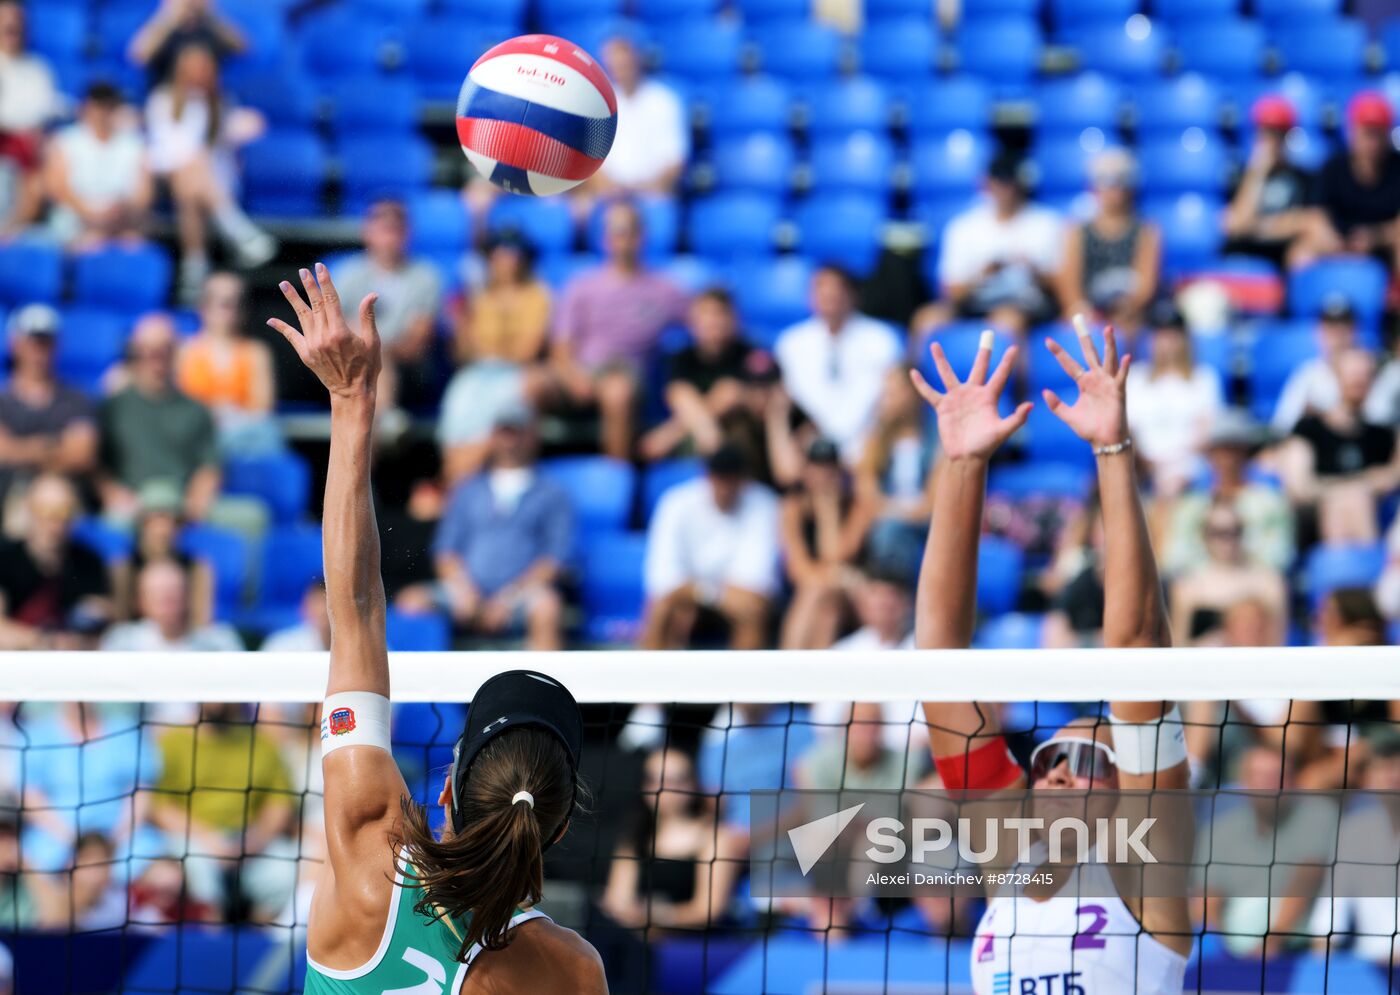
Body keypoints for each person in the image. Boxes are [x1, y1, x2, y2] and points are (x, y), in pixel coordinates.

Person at [262, 262, 606, 990]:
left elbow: (353, 604)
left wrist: (352, 400)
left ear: (447, 788)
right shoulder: (574, 970)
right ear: (561, 828)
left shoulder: (365, 851)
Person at [912, 319, 1192, 993]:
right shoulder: (1008, 854)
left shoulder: (1145, 867)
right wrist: (963, 464)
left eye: (1089, 760)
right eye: (1050, 760)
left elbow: (1134, 648)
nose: (1061, 774)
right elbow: (939, 657)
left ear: (1133, 793)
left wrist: (1113, 451)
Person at [417, 404, 571, 652]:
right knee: (413, 604)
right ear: (492, 436)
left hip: (523, 595)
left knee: (547, 607)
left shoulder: (552, 493)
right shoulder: (467, 489)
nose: (509, 441)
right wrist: (463, 590)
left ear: (531, 436)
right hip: (466, 592)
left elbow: (555, 559)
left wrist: (508, 599)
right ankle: (420, 689)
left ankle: (541, 688)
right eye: (504, 432)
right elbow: (445, 550)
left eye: (516, 432)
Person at [550, 200, 688, 459]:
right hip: (582, 370)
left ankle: (615, 478)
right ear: (604, 239)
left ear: (642, 236)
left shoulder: (664, 290)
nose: (622, 238)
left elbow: (701, 322)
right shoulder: (582, 286)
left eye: (629, 230)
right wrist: (573, 377)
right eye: (615, 230)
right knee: (530, 386)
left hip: (628, 373)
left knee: (617, 393)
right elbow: (561, 345)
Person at [145, 43, 274, 300]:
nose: (200, 73)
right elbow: (167, 147)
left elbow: (243, 132)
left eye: (205, 67)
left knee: (189, 191)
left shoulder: (221, 102)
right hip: (171, 172)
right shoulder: (162, 99)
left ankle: (195, 267)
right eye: (194, 67)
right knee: (191, 168)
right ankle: (240, 233)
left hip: (214, 180)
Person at [148, 702, 296, 923]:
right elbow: (159, 807)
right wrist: (208, 839)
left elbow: (280, 803)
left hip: (251, 843)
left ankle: (261, 942)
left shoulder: (261, 743)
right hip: (193, 840)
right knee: (197, 867)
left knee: (286, 872)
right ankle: (212, 941)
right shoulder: (171, 742)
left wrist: (256, 839)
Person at [641, 444, 780, 651]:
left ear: (744, 479)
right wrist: (713, 595)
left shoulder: (764, 504)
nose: (725, 487)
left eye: (731, 479)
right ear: (707, 477)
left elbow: (756, 585)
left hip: (729, 603)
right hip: (695, 600)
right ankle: (649, 681)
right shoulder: (676, 503)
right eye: (720, 478)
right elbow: (662, 581)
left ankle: (743, 683)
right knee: (662, 608)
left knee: (752, 610)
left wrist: (698, 592)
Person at [440, 233, 551, 483]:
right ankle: (452, 479)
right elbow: (464, 354)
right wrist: (461, 325)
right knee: (457, 410)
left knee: (498, 418)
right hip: (477, 375)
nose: (505, 259)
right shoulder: (479, 297)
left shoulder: (536, 295)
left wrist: (488, 349)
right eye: (499, 252)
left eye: (511, 252)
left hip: (514, 374)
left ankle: (457, 480)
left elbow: (527, 351)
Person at [601, 748, 744, 931]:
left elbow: (709, 910)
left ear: (693, 784)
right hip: (639, 942)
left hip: (696, 947)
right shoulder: (636, 836)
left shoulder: (715, 837)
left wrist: (655, 915)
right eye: (654, 779)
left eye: (677, 779)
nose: (665, 788)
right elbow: (617, 900)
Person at [98, 314, 221, 523]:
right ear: (135, 352)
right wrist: (112, 493)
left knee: (250, 517)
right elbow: (98, 464)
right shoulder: (113, 406)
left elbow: (209, 465)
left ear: (175, 352)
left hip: (179, 503)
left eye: (165, 349)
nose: (157, 357)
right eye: (148, 350)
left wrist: (196, 502)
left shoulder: (197, 409)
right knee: (115, 522)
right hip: (134, 503)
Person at [773, 266, 902, 462]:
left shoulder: (881, 339)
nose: (830, 297)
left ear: (853, 295)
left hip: (868, 446)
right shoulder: (790, 343)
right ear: (811, 296)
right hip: (810, 449)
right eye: (823, 291)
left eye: (837, 291)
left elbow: (891, 398)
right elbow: (788, 399)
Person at [332, 199, 444, 415]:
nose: (390, 236)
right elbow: (336, 330)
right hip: (352, 364)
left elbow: (417, 343)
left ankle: (380, 416)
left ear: (408, 233)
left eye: (396, 228)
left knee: (376, 355)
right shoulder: (348, 275)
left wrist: (376, 346)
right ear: (367, 231)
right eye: (384, 228)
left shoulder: (426, 277)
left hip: (407, 371)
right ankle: (385, 418)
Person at [933, 152, 1063, 335]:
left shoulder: (1047, 223)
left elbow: (1063, 287)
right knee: (928, 319)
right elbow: (951, 292)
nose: (1006, 189)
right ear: (987, 183)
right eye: (1000, 181)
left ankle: (1011, 364)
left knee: (1007, 319)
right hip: (973, 305)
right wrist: (983, 275)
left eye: (1010, 182)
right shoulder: (963, 226)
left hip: (1027, 306)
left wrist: (1034, 272)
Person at [1280, 347, 1400, 544]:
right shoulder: (1308, 429)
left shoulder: (1382, 435)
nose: (1359, 382)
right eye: (1352, 375)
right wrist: (1361, 483)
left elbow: (1394, 475)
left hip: (1374, 520)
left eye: (1365, 375)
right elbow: (1300, 488)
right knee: (1351, 498)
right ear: (1336, 376)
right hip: (1317, 529)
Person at [1161, 409, 1294, 575]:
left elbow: (1279, 556)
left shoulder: (1271, 502)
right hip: (1201, 587)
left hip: (1254, 586)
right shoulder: (1190, 505)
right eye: (1221, 450)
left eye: (1235, 450)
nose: (1228, 458)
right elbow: (1176, 559)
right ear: (1211, 454)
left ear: (1246, 454)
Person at [778, 437, 872, 649]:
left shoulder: (857, 506)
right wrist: (830, 576)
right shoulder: (793, 508)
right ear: (806, 472)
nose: (824, 476)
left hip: (853, 596)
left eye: (830, 469)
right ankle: (805, 673)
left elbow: (840, 554)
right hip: (825, 588)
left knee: (819, 592)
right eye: (818, 468)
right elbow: (797, 569)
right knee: (824, 602)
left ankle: (786, 670)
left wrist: (828, 514)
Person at [640, 288, 754, 461]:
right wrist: (705, 427)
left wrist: (668, 435)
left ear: (734, 319)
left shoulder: (749, 355)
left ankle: (715, 452)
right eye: (705, 314)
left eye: (719, 313)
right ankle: (714, 451)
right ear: (692, 321)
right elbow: (676, 395)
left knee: (729, 392)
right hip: (695, 437)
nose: (713, 321)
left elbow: (733, 396)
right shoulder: (681, 357)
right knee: (681, 393)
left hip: (737, 437)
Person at [0, 305, 97, 507]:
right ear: (15, 344)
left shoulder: (75, 399)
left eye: (46, 343)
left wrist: (19, 449)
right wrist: (50, 447)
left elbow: (81, 455)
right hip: (8, 498)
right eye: (32, 342)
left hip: (59, 499)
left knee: (51, 497)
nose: (39, 351)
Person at [0, 474, 111, 650]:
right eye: (45, 510)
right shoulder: (5, 559)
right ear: (29, 511)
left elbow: (104, 624)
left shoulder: (89, 562)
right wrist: (46, 641)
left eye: (64, 511)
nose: (55, 522)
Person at [1057, 148, 1161, 333]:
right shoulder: (1077, 231)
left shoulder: (1146, 231)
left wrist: (1126, 307)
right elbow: (1069, 285)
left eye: (1121, 181)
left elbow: (1146, 286)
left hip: (1129, 311)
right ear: (1094, 187)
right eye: (1106, 181)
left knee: (1126, 328)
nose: (1115, 189)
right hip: (1090, 310)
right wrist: (1083, 310)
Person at [1293, 90, 1400, 270]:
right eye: (1367, 133)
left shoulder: (1397, 167)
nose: (1372, 143)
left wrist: (1375, 237)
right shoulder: (1333, 167)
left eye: (1378, 134)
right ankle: (1306, 296)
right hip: (1338, 243)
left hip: (1381, 244)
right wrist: (1330, 239)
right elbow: (1315, 215)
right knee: (1301, 252)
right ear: (1352, 132)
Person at [177, 271, 280, 455]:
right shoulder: (184, 352)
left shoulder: (256, 352)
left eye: (238, 303)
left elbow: (262, 407)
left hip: (243, 436)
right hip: (195, 436)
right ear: (203, 307)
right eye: (224, 303)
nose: (233, 309)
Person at [1124, 304, 1222, 495]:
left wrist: (1173, 461)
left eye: (1172, 334)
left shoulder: (1203, 378)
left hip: (1188, 463)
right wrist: (1148, 463)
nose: (1166, 342)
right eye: (1159, 334)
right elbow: (1129, 430)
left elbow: (1207, 431)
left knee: (1172, 483)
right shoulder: (1135, 378)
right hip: (1142, 464)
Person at [44, 82, 153, 248]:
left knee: (134, 248)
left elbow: (143, 194)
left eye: (108, 106)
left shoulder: (134, 144)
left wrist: (120, 212)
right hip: (76, 221)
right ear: (85, 108)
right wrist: (91, 216)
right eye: (98, 106)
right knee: (83, 244)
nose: (102, 113)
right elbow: (57, 188)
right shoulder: (65, 141)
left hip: (120, 221)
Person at [1168, 500, 1288, 646]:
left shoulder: (1269, 582)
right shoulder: (1186, 586)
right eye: (1218, 533)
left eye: (1233, 531)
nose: (1227, 540)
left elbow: (1277, 642)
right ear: (1204, 535)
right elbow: (1179, 644)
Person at [857, 365, 935, 578]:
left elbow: (931, 508)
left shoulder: (937, 438)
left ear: (912, 394)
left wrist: (891, 512)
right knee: (884, 531)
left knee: (890, 531)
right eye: (884, 394)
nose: (885, 400)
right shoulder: (874, 439)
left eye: (892, 393)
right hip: (886, 525)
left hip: (925, 527)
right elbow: (868, 499)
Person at [593, 36, 688, 196]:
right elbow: (590, 160)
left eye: (625, 64)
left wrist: (646, 191)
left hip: (654, 195)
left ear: (637, 61)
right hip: (608, 196)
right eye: (615, 65)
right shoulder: (599, 103)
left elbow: (676, 161)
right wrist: (611, 190)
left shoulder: (664, 101)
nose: (621, 70)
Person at [1224, 95, 1312, 269]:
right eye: (1266, 132)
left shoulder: (1303, 178)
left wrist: (1256, 227)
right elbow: (1237, 224)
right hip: (1243, 254)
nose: (1272, 141)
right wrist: (1258, 172)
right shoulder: (1241, 175)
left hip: (1280, 257)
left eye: (1278, 133)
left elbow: (1308, 222)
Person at [111, 481, 215, 627]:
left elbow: (201, 621)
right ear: (142, 524)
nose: (163, 529)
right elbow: (121, 620)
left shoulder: (196, 566)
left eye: (171, 521)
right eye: (155, 520)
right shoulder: (125, 566)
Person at [0, 0, 60, 234]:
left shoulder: (38, 70)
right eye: (5, 21)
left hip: (26, 153)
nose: (11, 26)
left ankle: (7, 237)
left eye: (16, 22)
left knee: (36, 180)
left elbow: (42, 117)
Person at [100, 560, 242, 652]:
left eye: (174, 591)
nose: (167, 601)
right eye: (157, 594)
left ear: (188, 595)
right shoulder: (122, 641)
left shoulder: (219, 641)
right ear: (141, 601)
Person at [1270, 294, 1362, 434]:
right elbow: (1282, 425)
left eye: (1343, 325)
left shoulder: (1367, 370)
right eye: (1330, 326)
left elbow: (1381, 420)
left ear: (1354, 330)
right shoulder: (1308, 374)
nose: (1337, 333)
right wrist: (1316, 416)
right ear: (1319, 331)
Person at [261, 582, 330, 653]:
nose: (322, 610)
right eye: (316, 604)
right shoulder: (280, 645)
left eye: (325, 603)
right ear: (303, 608)